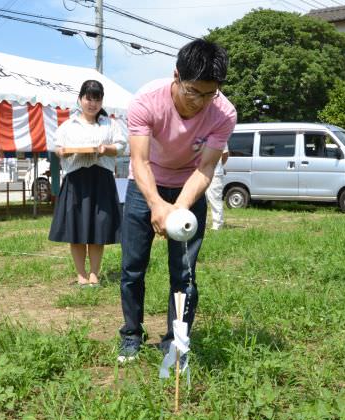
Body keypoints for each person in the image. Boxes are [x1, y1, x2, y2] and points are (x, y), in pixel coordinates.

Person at [118, 39, 237, 363]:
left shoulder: (223, 112)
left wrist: (180, 206)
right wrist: (157, 204)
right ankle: (131, 334)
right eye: (192, 91)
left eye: (209, 93)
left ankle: (177, 342)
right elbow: (139, 162)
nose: (200, 102)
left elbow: (206, 167)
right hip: (145, 186)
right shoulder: (146, 100)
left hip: (189, 187)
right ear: (176, 77)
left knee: (184, 274)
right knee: (132, 268)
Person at [48, 80, 126, 287]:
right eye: (88, 98)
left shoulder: (110, 124)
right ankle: (81, 274)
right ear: (80, 99)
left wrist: (105, 149)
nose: (92, 103)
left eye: (97, 99)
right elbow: (58, 148)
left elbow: (121, 146)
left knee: (98, 229)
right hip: (76, 179)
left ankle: (94, 274)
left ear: (101, 101)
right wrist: (62, 151)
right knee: (76, 229)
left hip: (102, 179)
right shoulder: (68, 125)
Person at [205, 145, 229, 230]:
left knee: (215, 199)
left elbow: (225, 154)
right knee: (200, 200)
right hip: (200, 173)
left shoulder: (220, 132)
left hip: (215, 173)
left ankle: (217, 225)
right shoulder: (198, 132)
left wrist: (219, 166)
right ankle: (201, 223)